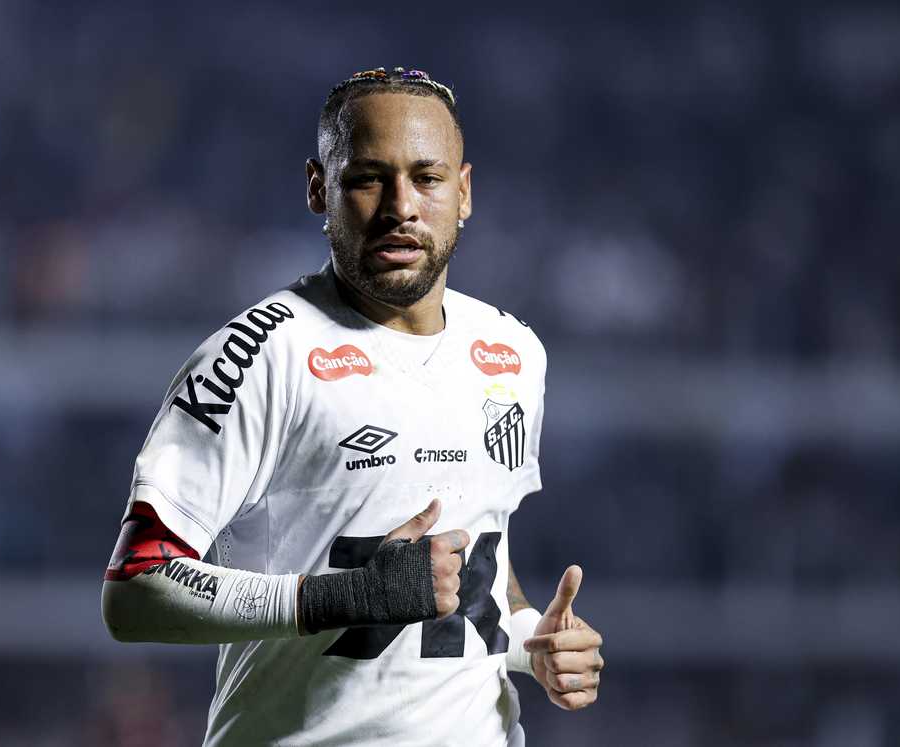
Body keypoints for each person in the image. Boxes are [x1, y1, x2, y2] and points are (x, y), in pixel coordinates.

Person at [101, 66, 604, 746]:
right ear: (318, 188)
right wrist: (345, 596)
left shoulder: (512, 352)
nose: (402, 205)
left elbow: (478, 557)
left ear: (463, 193)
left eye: (427, 178)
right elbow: (135, 588)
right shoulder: (257, 357)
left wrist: (530, 641)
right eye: (369, 177)